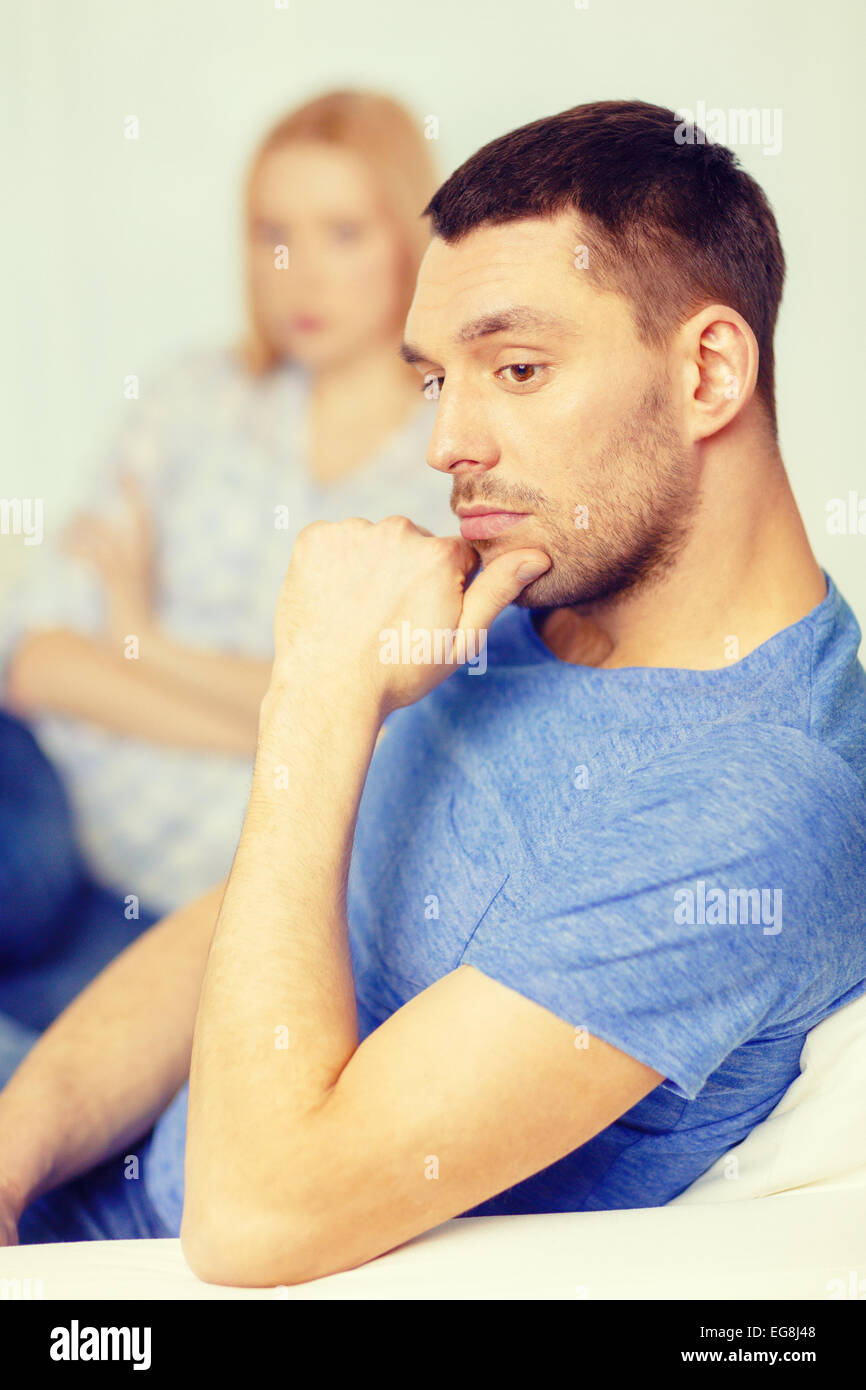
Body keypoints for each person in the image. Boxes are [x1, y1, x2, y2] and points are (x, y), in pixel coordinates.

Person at [1, 100, 864, 1284]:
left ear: (708, 370)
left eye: (515, 368)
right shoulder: (526, 602)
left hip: (140, 1270)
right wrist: (12, 1152)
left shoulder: (748, 802)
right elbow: (241, 916)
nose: (446, 441)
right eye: (434, 380)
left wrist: (316, 691)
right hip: (64, 1148)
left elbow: (255, 1221)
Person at [0, 89, 452, 924]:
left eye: (342, 233)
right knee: (23, 870)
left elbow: (395, 732)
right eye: (272, 235)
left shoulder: (454, 459)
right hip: (57, 794)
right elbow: (39, 661)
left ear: (409, 244)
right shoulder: (189, 401)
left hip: (212, 893)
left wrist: (151, 644)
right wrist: (285, 731)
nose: (299, 272)